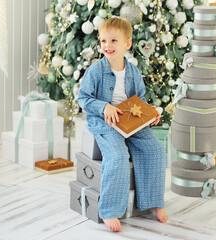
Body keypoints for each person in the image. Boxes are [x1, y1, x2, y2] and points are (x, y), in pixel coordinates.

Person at [78, 17, 168, 232]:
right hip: (105, 122)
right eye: (103, 41)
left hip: (131, 120)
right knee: (117, 156)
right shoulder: (95, 71)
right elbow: (84, 98)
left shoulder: (133, 72)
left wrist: (151, 113)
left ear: (127, 44)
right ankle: (109, 210)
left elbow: (140, 99)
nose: (107, 46)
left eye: (113, 41)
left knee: (156, 151)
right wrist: (103, 107)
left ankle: (155, 201)